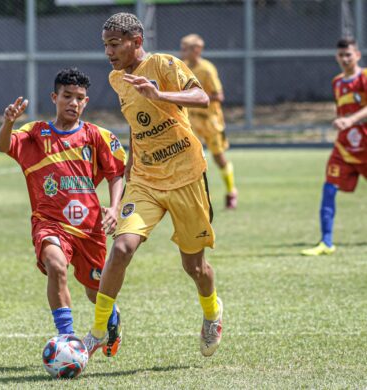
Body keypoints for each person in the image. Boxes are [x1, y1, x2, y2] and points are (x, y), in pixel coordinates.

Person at [83, 13, 223, 359]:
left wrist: (160, 93)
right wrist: (131, 163)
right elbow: (135, 121)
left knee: (194, 267)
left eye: (114, 44)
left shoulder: (163, 64)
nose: (109, 52)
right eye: (105, 45)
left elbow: (202, 98)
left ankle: (212, 312)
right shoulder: (118, 79)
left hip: (186, 176)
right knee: (121, 249)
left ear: (136, 41)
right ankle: (98, 330)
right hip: (146, 179)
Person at [0, 68, 126, 349]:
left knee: (95, 292)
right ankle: (67, 337)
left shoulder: (96, 136)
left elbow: (116, 173)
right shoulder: (35, 133)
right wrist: (8, 123)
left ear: (86, 102)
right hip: (49, 222)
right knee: (56, 265)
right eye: (67, 96)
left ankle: (111, 315)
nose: (73, 103)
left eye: (79, 98)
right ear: (55, 97)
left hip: (90, 227)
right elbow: (3, 145)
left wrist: (115, 208)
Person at [302, 38, 367, 256]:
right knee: (329, 189)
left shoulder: (365, 77)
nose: (345, 58)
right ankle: (326, 242)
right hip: (344, 147)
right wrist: (344, 123)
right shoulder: (337, 82)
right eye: (341, 55)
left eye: (349, 54)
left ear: (357, 55)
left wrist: (351, 120)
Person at [180, 34, 238, 209]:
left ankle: (231, 191)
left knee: (219, 158)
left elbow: (218, 96)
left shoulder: (207, 69)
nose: (182, 52)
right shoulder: (183, 68)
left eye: (186, 49)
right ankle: (200, 197)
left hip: (210, 120)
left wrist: (198, 97)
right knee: (192, 158)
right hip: (192, 120)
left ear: (197, 50)